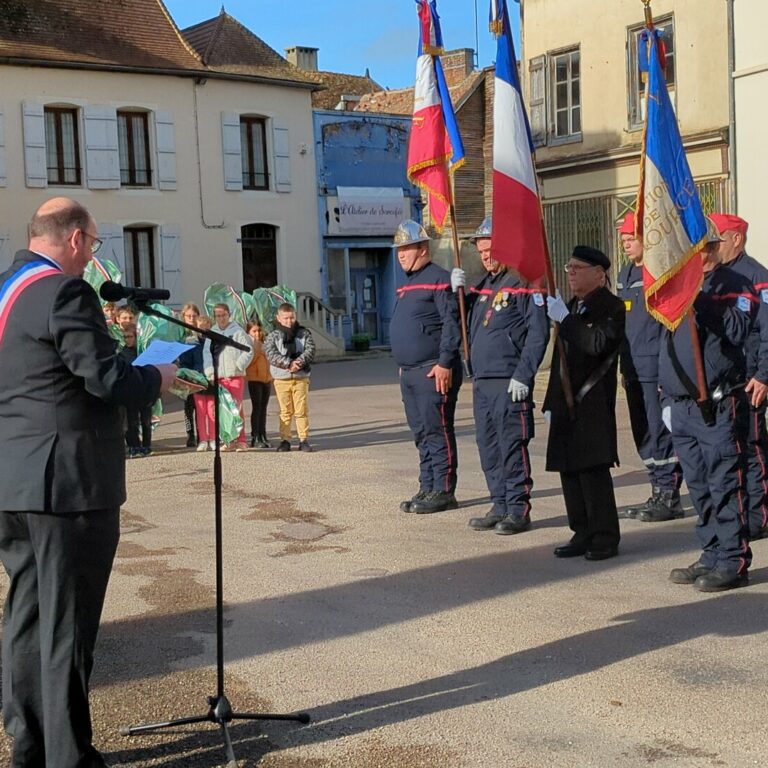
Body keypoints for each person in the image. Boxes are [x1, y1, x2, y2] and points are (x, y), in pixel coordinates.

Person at [0, 197, 176, 768]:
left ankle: (29, 747)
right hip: (67, 485)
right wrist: (158, 376)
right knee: (68, 627)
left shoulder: (6, 289)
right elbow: (103, 377)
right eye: (93, 245)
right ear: (74, 239)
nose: (91, 258)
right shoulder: (64, 292)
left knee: (27, 619)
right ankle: (67, 757)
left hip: (14, 483)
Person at [661, 225, 755, 591]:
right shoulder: (677, 289)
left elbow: (736, 329)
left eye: (695, 249)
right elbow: (666, 341)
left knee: (723, 482)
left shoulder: (736, 283)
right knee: (698, 485)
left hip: (715, 404)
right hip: (682, 405)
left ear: (711, 248)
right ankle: (711, 551)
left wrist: (698, 297)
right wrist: (663, 391)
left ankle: (733, 559)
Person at [450, 217, 549, 533]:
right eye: (481, 252)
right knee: (488, 445)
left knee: (511, 445)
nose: (486, 257)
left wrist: (524, 374)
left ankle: (518, 508)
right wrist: (457, 293)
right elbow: (463, 321)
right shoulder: (483, 286)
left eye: (491, 250)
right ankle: (500, 502)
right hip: (482, 381)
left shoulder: (523, 283)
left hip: (509, 382)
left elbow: (538, 333)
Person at [544, 245, 625, 561]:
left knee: (592, 471)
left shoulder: (612, 307)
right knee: (569, 470)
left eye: (578, 267)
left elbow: (597, 344)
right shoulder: (570, 306)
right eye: (569, 267)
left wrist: (567, 321)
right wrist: (550, 402)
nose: (571, 273)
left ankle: (604, 535)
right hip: (565, 402)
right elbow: (558, 362)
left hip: (591, 400)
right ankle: (582, 530)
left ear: (599, 274)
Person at [390, 220, 462, 514]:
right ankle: (428, 484)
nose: (401, 255)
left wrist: (445, 362)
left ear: (422, 248)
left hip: (433, 370)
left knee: (437, 429)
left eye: (405, 249)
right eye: (398, 250)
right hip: (410, 371)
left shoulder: (439, 279)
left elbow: (451, 323)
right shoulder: (407, 283)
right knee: (420, 431)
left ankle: (444, 490)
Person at [615, 212, 684, 522]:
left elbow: (667, 329)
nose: (627, 246)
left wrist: (664, 372)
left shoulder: (658, 275)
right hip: (631, 368)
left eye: (631, 239)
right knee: (643, 432)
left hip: (654, 369)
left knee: (660, 433)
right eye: (624, 241)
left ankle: (669, 495)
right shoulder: (626, 273)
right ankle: (656, 489)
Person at [710, 213, 768, 541]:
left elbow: (766, 330)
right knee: (729, 449)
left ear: (736, 239)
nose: (715, 243)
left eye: (720, 236)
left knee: (753, 445)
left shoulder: (757, 277)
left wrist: (764, 375)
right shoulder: (716, 277)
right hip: (725, 379)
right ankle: (740, 511)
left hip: (751, 378)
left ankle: (758, 516)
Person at [265, 303, 316, 452]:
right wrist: (288, 363)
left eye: (291, 317)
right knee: (285, 411)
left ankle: (303, 439)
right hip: (282, 378)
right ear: (278, 318)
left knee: (301, 410)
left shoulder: (304, 333)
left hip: (300, 377)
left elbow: (310, 350)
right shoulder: (273, 336)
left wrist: (298, 363)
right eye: (285, 318)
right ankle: (285, 439)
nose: (289, 321)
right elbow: (271, 354)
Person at [203, 303, 253, 451]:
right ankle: (228, 440)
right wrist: (210, 371)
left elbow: (248, 350)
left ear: (228, 314)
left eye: (223, 315)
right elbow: (207, 353)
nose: (221, 318)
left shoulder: (237, 331)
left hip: (235, 375)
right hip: (220, 376)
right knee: (223, 410)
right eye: (218, 316)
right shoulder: (212, 332)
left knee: (236, 408)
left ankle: (241, 440)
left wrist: (239, 365)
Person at [119, 323, 154, 457]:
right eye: (125, 337)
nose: (128, 339)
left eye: (130, 337)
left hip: (145, 391)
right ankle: (134, 445)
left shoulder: (142, 351)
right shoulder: (122, 354)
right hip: (131, 392)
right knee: (132, 422)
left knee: (146, 421)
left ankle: (147, 445)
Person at [246, 322, 273, 448]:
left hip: (266, 378)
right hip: (254, 379)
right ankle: (255, 436)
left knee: (264, 408)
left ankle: (263, 434)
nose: (257, 333)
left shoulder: (264, 343)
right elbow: (248, 362)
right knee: (256, 407)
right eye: (254, 331)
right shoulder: (249, 344)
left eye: (259, 331)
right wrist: (257, 349)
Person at [178, 302, 201, 448]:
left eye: (194, 315)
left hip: (199, 372)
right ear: (184, 317)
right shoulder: (181, 333)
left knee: (200, 406)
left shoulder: (201, 331)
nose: (191, 318)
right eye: (189, 316)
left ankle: (201, 433)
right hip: (185, 372)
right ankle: (190, 434)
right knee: (188, 406)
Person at [194, 315, 217, 451]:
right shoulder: (191, 342)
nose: (203, 329)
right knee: (201, 412)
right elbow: (187, 361)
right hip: (197, 380)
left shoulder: (214, 341)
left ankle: (213, 438)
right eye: (200, 327)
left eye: (206, 326)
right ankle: (202, 439)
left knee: (212, 411)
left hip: (212, 379)